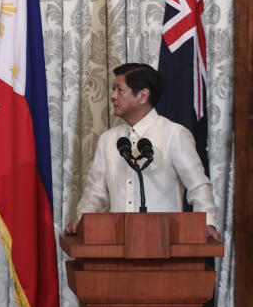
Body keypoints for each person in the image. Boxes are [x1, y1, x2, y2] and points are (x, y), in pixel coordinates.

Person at [64, 63, 220, 240]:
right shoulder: (108, 139)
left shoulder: (175, 135)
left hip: (164, 243)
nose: (113, 96)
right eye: (113, 89)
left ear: (143, 96)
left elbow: (198, 185)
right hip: (116, 244)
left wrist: (207, 222)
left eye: (119, 90)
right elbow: (95, 192)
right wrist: (82, 219)